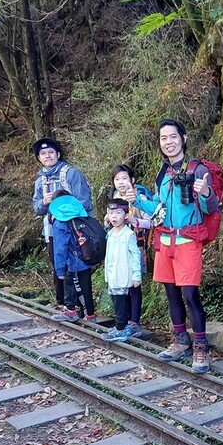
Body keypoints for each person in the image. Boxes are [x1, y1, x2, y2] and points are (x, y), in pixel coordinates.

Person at [126, 119, 219, 373]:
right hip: (165, 240)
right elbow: (159, 208)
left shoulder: (198, 170)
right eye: (163, 138)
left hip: (188, 239)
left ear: (184, 138)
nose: (168, 142)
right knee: (171, 294)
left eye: (173, 137)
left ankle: (201, 346)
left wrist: (206, 193)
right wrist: (139, 201)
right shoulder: (162, 173)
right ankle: (180, 340)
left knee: (190, 295)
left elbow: (212, 208)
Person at [31, 138, 92, 311]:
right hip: (51, 231)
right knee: (59, 267)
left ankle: (84, 308)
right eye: (42, 154)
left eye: (51, 152)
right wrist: (44, 202)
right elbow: (37, 208)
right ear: (39, 158)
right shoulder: (39, 181)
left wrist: (60, 202)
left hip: (74, 230)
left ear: (58, 154)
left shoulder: (71, 174)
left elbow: (84, 202)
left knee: (78, 268)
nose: (47, 156)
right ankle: (65, 305)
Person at [108, 164, 152, 339]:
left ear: (132, 180)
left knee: (134, 284)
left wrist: (136, 222)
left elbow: (152, 221)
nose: (121, 183)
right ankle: (123, 321)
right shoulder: (115, 197)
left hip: (137, 245)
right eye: (117, 179)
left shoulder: (139, 197)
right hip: (119, 247)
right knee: (121, 283)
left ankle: (134, 322)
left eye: (124, 179)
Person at [48, 192, 98, 323]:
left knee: (69, 284)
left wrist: (59, 270)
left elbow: (60, 248)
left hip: (72, 262)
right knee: (86, 286)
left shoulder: (60, 222)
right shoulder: (79, 215)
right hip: (86, 256)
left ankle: (71, 311)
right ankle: (90, 314)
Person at [101, 198, 142, 342]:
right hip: (113, 274)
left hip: (123, 274)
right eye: (111, 213)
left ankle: (121, 328)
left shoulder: (128, 234)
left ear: (125, 215)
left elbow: (136, 255)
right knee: (116, 300)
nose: (114, 217)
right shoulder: (111, 232)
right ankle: (121, 325)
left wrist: (136, 275)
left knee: (120, 301)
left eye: (118, 213)